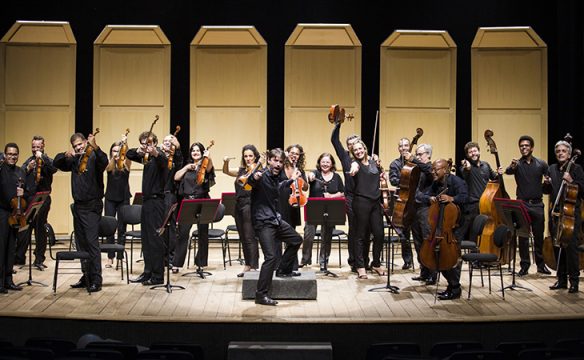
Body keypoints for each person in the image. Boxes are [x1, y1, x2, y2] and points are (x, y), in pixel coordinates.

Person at [248, 148, 302, 306]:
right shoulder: (262, 175)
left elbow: (279, 187)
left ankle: (283, 269)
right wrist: (254, 176)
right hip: (263, 222)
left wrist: (292, 180)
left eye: (280, 161)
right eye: (275, 160)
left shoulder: (277, 177)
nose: (278, 164)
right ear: (269, 161)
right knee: (271, 257)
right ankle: (261, 294)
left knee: (296, 240)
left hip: (275, 220)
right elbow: (251, 180)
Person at [54, 133, 108, 292]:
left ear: (85, 142)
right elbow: (56, 162)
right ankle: (86, 276)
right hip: (78, 206)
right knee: (81, 244)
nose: (78, 147)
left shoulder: (94, 157)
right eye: (75, 146)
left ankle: (96, 279)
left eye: (80, 144)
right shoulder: (74, 159)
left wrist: (96, 146)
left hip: (92, 206)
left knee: (91, 243)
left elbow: (104, 161)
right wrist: (66, 155)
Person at [417, 158, 468, 300]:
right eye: (432, 169)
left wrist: (452, 198)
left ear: (445, 170)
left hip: (456, 225)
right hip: (440, 227)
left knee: (451, 257)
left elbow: (465, 197)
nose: (432, 172)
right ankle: (452, 286)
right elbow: (422, 195)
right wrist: (430, 198)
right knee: (439, 256)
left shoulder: (457, 182)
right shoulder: (435, 183)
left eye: (436, 169)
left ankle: (455, 287)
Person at [126, 131, 168, 286]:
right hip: (147, 202)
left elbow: (164, 161)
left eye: (148, 143)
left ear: (155, 143)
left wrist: (155, 152)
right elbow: (129, 154)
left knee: (155, 239)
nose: (146, 146)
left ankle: (158, 276)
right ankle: (147, 272)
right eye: (143, 143)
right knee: (146, 239)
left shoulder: (159, 157)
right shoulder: (146, 158)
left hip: (157, 202)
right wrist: (139, 150)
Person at [505, 135, 551, 276]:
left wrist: (547, 183)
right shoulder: (517, 164)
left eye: (526, 145)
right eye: (521, 146)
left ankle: (540, 265)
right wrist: (512, 166)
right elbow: (508, 171)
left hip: (537, 205)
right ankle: (524, 266)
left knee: (538, 237)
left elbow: (546, 190)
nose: (523, 148)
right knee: (523, 237)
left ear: (531, 147)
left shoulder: (541, 164)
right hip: (522, 204)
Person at [543, 140, 584, 293]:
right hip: (556, 213)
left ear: (569, 153)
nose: (560, 153)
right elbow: (546, 191)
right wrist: (546, 183)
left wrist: (572, 181)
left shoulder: (576, 168)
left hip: (571, 214)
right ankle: (561, 279)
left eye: (563, 151)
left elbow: (583, 189)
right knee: (557, 246)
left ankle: (574, 281)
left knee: (571, 248)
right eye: (558, 151)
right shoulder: (552, 168)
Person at [15, 136, 57, 270]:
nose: (35, 149)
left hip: (43, 198)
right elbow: (20, 176)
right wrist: (27, 168)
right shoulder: (29, 161)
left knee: (40, 229)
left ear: (43, 146)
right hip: (29, 198)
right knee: (25, 228)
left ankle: (39, 259)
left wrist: (42, 158)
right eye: (33, 147)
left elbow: (54, 168)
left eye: (38, 147)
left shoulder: (47, 160)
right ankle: (20, 257)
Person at [174, 142, 215, 273]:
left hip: (202, 199)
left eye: (198, 150)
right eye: (193, 150)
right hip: (187, 201)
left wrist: (208, 156)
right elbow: (176, 177)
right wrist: (186, 168)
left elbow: (209, 168)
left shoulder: (205, 165)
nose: (195, 152)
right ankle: (177, 263)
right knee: (183, 233)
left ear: (202, 152)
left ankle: (201, 263)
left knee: (203, 232)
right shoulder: (187, 166)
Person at [349, 140, 386, 279]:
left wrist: (383, 175)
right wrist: (353, 168)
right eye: (355, 150)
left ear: (365, 148)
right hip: (361, 202)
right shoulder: (355, 164)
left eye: (360, 148)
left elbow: (381, 175)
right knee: (360, 236)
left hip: (375, 203)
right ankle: (360, 266)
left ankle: (376, 263)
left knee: (379, 234)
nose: (358, 151)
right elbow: (353, 168)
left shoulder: (374, 163)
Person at [301, 153, 345, 271]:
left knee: (326, 236)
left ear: (332, 164)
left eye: (328, 162)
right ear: (319, 163)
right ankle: (305, 260)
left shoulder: (336, 177)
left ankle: (323, 262)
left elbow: (343, 192)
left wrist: (332, 196)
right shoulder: (315, 174)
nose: (325, 164)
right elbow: (309, 178)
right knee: (308, 235)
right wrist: (310, 175)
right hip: (314, 208)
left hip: (330, 209)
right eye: (323, 162)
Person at [222, 145, 261, 277]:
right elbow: (226, 171)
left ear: (255, 156)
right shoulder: (241, 170)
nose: (248, 158)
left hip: (250, 205)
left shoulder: (258, 170)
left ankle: (254, 267)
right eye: (246, 156)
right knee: (243, 237)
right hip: (238, 205)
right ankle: (248, 265)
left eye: (250, 156)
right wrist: (226, 162)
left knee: (250, 236)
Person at [331, 122, 362, 272]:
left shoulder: (364, 158)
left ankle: (363, 261)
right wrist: (338, 125)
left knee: (364, 230)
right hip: (351, 197)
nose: (351, 147)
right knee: (354, 229)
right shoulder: (345, 157)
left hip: (365, 198)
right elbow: (334, 141)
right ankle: (354, 261)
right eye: (349, 144)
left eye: (355, 144)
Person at [457, 141, 501, 240]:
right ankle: (473, 254)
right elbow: (465, 172)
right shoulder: (464, 167)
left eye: (475, 150)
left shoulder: (486, 165)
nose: (473, 153)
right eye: (470, 152)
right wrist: (467, 167)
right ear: (467, 155)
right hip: (473, 205)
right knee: (473, 233)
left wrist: (499, 174)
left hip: (487, 204)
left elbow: (495, 178)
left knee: (486, 231)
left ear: (479, 151)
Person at [0, 143, 28, 292]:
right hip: (2, 213)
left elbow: (27, 192)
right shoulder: (0, 169)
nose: (12, 156)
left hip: (15, 214)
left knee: (11, 247)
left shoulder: (20, 171)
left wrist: (23, 194)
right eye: (9, 154)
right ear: (4, 155)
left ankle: (8, 280)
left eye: (15, 154)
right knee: (1, 247)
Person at [407, 143, 435, 285]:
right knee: (417, 241)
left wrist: (414, 159)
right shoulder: (417, 168)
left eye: (420, 154)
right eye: (417, 154)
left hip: (426, 208)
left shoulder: (431, 167)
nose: (418, 157)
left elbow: (429, 171)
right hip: (415, 207)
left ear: (428, 155)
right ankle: (424, 272)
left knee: (427, 240)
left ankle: (432, 273)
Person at [103, 139, 132, 269]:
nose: (116, 153)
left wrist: (123, 150)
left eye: (118, 151)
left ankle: (120, 257)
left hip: (124, 198)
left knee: (122, 228)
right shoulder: (109, 164)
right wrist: (114, 158)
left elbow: (126, 167)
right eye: (114, 151)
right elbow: (108, 168)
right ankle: (110, 257)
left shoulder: (126, 162)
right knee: (109, 228)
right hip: (110, 198)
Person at [388, 137, 415, 269]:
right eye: (401, 146)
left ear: (410, 147)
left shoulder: (416, 162)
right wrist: (406, 177)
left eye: (406, 145)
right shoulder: (395, 164)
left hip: (415, 201)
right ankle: (408, 260)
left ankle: (424, 263)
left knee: (418, 232)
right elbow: (393, 180)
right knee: (404, 232)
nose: (404, 148)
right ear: (398, 148)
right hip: (402, 201)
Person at [160, 133, 182, 270]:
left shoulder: (174, 160)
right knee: (158, 228)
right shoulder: (157, 157)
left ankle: (171, 259)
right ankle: (159, 259)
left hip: (169, 196)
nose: (168, 143)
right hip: (156, 196)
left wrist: (177, 148)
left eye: (170, 142)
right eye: (165, 141)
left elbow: (180, 162)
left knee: (170, 229)